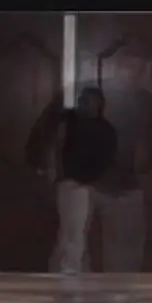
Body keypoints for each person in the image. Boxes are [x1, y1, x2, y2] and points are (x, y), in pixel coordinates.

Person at [33, 87, 120, 275]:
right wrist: (52, 170)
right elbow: (53, 143)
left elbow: (108, 158)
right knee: (70, 229)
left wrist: (95, 180)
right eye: (81, 100)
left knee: (78, 229)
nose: (83, 104)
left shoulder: (105, 129)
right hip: (69, 182)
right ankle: (66, 269)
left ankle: (73, 268)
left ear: (99, 104)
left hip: (88, 185)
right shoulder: (69, 120)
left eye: (88, 100)